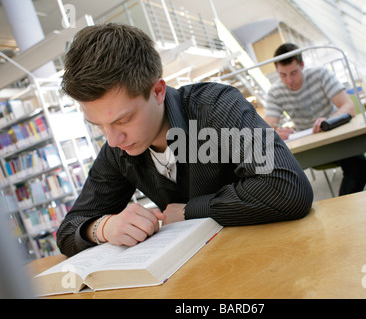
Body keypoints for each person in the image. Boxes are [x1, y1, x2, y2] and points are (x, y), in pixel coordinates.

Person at [56, 24, 314, 257]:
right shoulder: (117, 151)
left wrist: (192, 210)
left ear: (157, 91)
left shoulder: (216, 107)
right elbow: (68, 231)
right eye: (99, 125)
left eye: (123, 120)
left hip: (273, 257)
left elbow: (288, 188)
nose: (112, 140)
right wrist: (103, 227)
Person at [265, 43, 366, 197]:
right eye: (283, 75)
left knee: (357, 165)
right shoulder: (275, 91)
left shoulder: (320, 75)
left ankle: (343, 209)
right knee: (272, 172)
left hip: (334, 137)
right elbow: (267, 126)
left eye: (293, 73)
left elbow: (349, 107)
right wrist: (274, 133)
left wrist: (327, 121)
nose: (289, 81)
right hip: (308, 145)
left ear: (302, 65)